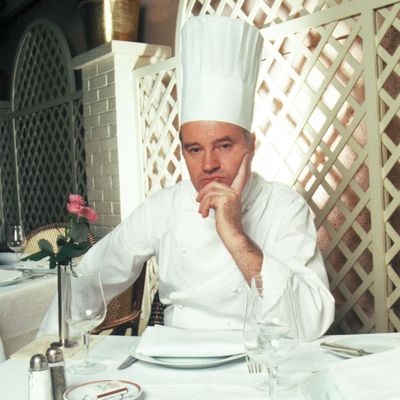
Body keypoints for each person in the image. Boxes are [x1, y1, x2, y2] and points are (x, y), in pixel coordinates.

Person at [40, 15, 334, 340]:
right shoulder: (164, 207)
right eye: (194, 149)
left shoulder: (284, 206)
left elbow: (310, 320)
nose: (208, 164)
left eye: (224, 145)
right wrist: (52, 346)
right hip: (174, 364)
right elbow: (92, 274)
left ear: (251, 145)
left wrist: (235, 235)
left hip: (258, 365)